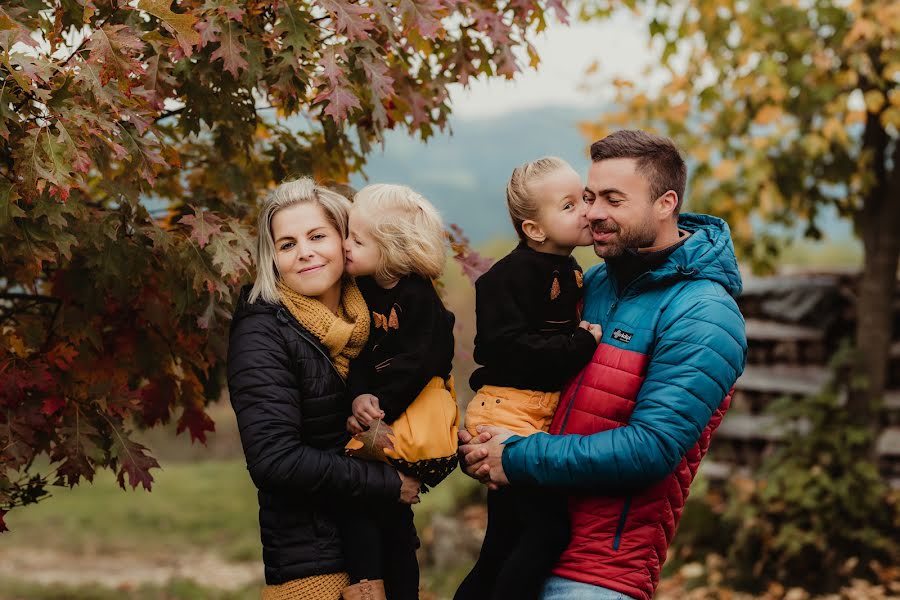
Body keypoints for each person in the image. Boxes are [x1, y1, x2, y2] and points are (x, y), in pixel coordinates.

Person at [460, 130, 748, 600]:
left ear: (665, 203)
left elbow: (650, 449)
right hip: (525, 549)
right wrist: (486, 436)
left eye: (613, 199)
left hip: (597, 577)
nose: (593, 212)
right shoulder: (590, 283)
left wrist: (513, 455)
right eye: (589, 197)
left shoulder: (704, 313)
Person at [226, 178, 421, 600]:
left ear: (345, 242)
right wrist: (387, 484)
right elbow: (274, 460)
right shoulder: (262, 333)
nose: (305, 253)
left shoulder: (377, 316)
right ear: (272, 258)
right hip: (316, 563)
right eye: (287, 244)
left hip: (390, 545)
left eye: (317, 236)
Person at [454, 157, 603, 600]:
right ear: (534, 230)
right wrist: (579, 344)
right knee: (548, 531)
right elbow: (502, 349)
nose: (587, 211)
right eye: (570, 205)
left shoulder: (570, 267)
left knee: (503, 541)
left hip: (534, 412)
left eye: (586, 198)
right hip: (508, 411)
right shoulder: (508, 278)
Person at [338, 183, 459, 599]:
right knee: (370, 510)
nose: (345, 245)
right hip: (380, 417)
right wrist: (358, 396)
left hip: (411, 421)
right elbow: (360, 357)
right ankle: (368, 586)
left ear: (390, 247)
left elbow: (418, 365)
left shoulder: (418, 298)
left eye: (357, 239)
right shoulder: (362, 294)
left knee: (390, 515)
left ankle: (398, 590)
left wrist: (380, 406)